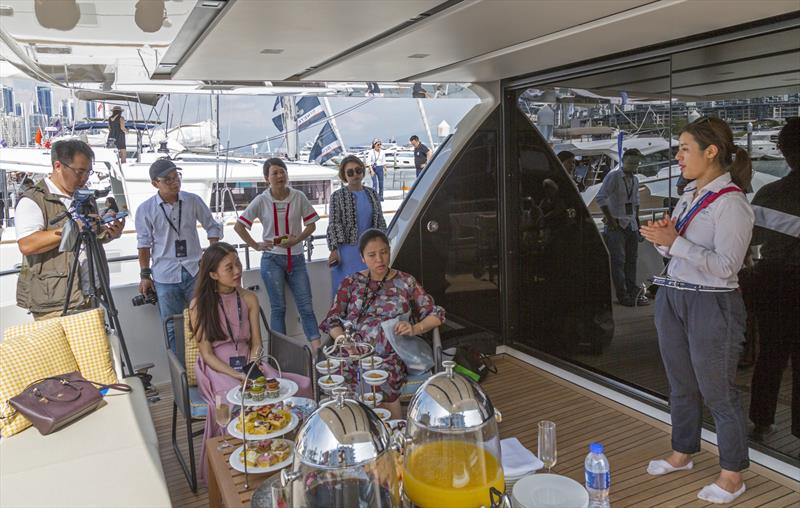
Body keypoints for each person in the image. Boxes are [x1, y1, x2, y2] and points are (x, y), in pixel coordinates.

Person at [640, 116, 753, 505]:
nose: (678, 155)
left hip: (711, 301)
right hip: (675, 295)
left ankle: (733, 474)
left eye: (684, 148)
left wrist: (676, 243)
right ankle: (682, 453)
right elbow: (679, 250)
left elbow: (726, 267)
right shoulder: (689, 195)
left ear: (711, 152)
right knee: (681, 384)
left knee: (718, 391)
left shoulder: (732, 203)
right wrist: (663, 240)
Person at [189, 242, 312, 483]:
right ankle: (239, 462)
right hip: (217, 366)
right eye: (229, 267)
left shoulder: (249, 298)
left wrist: (254, 362)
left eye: (238, 263)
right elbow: (207, 354)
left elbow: (257, 342)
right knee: (231, 399)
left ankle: (284, 451)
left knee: (295, 385)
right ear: (213, 275)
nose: (237, 271)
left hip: (247, 360)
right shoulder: (198, 305)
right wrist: (237, 375)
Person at [320, 229, 445, 418]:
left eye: (384, 252)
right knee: (339, 377)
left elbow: (436, 314)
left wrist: (414, 329)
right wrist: (344, 341)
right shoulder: (351, 283)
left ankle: (392, 431)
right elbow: (332, 319)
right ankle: (355, 432)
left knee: (381, 376)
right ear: (362, 257)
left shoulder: (405, 282)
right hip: (353, 352)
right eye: (372, 255)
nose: (379, 259)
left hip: (389, 354)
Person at [15, 139, 124, 320]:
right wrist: (71, 228)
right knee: (59, 349)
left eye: (88, 172)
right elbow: (28, 244)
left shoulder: (84, 197)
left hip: (91, 294)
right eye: (80, 172)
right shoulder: (33, 200)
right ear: (58, 166)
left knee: (97, 349)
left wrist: (110, 232)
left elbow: (90, 233)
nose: (85, 178)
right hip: (56, 303)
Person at [234, 158, 322, 353]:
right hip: (272, 259)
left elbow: (312, 224)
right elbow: (239, 226)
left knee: (306, 306)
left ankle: (318, 350)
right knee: (278, 308)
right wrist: (256, 245)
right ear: (267, 178)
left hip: (296, 258)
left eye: (282, 172)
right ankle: (281, 354)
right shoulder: (261, 200)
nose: (280, 176)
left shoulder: (298, 197)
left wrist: (297, 239)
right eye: (275, 173)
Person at [747, 117, 800, 443]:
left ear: (784, 151)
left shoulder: (771, 192)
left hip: (776, 281)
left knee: (770, 355)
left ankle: (762, 420)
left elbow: (751, 236)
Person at [136, 159, 222, 353]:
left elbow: (212, 225)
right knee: (172, 327)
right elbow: (143, 244)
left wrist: (213, 253)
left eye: (177, 177)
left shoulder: (192, 200)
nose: (175, 183)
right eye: (168, 180)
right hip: (165, 276)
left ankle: (206, 371)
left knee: (204, 321)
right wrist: (144, 275)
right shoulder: (145, 209)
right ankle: (180, 375)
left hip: (195, 271)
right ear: (155, 183)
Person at [327, 155, 386, 298]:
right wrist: (334, 249)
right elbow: (334, 223)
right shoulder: (337, 196)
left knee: (370, 291)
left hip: (370, 250)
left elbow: (380, 220)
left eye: (358, 170)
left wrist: (384, 245)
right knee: (346, 292)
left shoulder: (372, 193)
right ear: (344, 175)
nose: (355, 175)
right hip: (347, 251)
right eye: (350, 172)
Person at [596, 148, 648, 307]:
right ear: (623, 161)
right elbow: (601, 197)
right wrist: (611, 220)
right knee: (618, 261)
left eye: (636, 163)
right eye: (631, 162)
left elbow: (636, 204)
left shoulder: (635, 180)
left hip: (631, 224)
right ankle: (622, 294)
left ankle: (633, 290)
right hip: (616, 225)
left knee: (631, 260)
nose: (634, 166)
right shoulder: (613, 177)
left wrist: (638, 226)